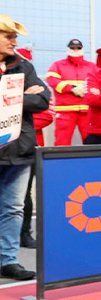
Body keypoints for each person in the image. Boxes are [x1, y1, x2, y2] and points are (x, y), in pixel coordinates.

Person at [0, 15, 48, 280]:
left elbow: (43, 100)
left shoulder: (23, 64)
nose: (14, 42)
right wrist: (22, 95)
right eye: (9, 36)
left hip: (19, 150)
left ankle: (7, 261)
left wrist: (10, 97)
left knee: (14, 208)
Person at [45, 38, 98, 146]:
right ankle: (60, 158)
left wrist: (86, 89)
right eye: (72, 48)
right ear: (68, 49)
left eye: (78, 48)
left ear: (82, 49)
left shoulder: (92, 66)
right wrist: (71, 89)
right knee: (62, 142)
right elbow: (52, 80)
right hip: (65, 111)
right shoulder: (57, 65)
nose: (75, 50)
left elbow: (98, 82)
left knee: (91, 141)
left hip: (87, 111)